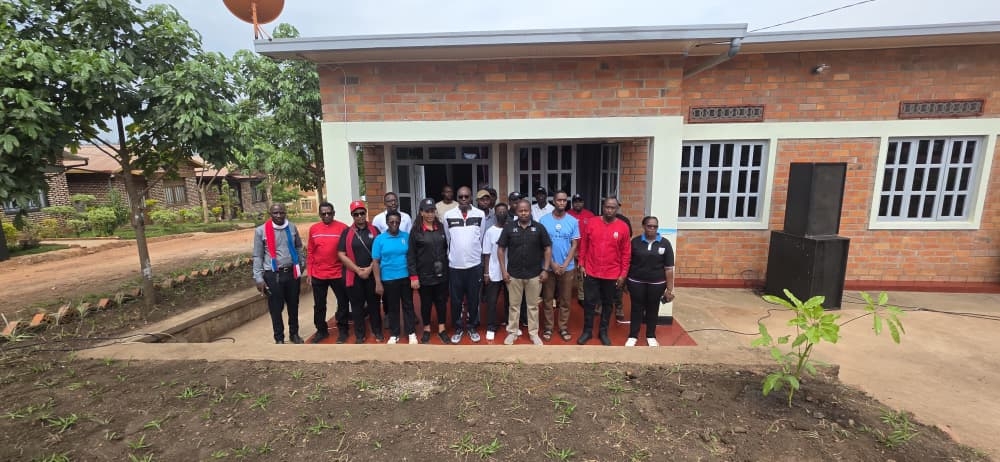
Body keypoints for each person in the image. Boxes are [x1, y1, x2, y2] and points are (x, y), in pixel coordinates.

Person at [577, 197, 631, 346]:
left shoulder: (623, 227)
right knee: (589, 303)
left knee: (608, 304)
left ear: (617, 209)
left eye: (613, 208)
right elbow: (584, 245)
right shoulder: (592, 222)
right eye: (607, 207)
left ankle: (603, 332)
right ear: (603, 207)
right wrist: (581, 263)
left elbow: (626, 253)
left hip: (612, 273)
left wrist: (623, 274)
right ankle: (587, 331)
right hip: (591, 271)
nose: (609, 210)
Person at [497, 199, 552, 345]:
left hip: (534, 275)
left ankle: (533, 334)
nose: (523, 213)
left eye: (526, 210)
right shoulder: (509, 228)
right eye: (520, 210)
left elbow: (547, 248)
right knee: (514, 306)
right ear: (516, 212)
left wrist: (545, 269)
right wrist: (503, 271)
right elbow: (501, 249)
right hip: (513, 275)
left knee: (532, 306)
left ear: (530, 211)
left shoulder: (539, 228)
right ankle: (512, 332)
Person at [252, 203, 304, 344]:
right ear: (271, 214)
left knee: (293, 305)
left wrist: (301, 263)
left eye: (282, 212)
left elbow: (299, 247)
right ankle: (279, 337)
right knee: (276, 308)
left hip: (291, 273)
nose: (279, 216)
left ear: (285, 213)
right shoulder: (260, 231)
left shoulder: (292, 227)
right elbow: (257, 255)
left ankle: (294, 334)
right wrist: (258, 277)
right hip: (273, 275)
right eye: (276, 213)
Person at [442, 186, 485, 343]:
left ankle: (473, 326)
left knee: (474, 299)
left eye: (467, 196)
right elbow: (448, 239)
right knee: (456, 301)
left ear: (471, 197)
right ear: (457, 198)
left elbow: (480, 237)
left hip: (474, 265)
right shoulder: (448, 215)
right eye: (461, 197)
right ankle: (459, 327)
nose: (464, 199)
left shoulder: (480, 215)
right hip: (455, 266)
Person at [625, 216, 675, 347]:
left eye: (655, 226)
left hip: (656, 284)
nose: (652, 229)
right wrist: (624, 281)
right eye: (649, 226)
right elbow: (628, 262)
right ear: (643, 226)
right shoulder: (635, 242)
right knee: (636, 308)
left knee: (653, 308)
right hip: (636, 282)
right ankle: (633, 335)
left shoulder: (665, 243)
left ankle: (651, 335)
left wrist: (669, 289)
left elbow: (669, 269)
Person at [306, 202, 351, 343]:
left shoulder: (343, 228)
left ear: (334, 213)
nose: (326, 215)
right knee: (319, 305)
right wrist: (309, 272)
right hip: (319, 274)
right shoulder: (314, 229)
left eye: (329, 213)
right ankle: (321, 331)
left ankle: (343, 330)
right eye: (323, 213)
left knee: (343, 302)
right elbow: (310, 252)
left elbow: (348, 250)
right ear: (320, 214)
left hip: (338, 273)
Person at [338, 200, 382, 343]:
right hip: (354, 275)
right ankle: (360, 335)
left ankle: (377, 331)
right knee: (357, 307)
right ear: (352, 215)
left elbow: (381, 251)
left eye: (362, 213)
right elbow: (341, 254)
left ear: (366, 213)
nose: (359, 216)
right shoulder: (347, 232)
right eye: (356, 214)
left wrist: (369, 269)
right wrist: (358, 270)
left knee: (374, 305)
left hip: (372, 274)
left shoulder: (374, 230)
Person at [408, 198, 451, 344]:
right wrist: (413, 276)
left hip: (441, 274)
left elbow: (447, 248)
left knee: (441, 302)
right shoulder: (416, 231)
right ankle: (426, 329)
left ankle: (441, 329)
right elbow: (411, 255)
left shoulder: (441, 227)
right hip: (424, 275)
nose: (430, 214)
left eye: (432, 211)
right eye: (427, 211)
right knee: (426, 303)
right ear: (421, 212)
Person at [539, 191, 579, 343]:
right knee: (548, 299)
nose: (562, 203)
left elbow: (574, 245)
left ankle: (563, 327)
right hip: (549, 267)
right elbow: (542, 245)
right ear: (554, 201)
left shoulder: (573, 221)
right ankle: (548, 327)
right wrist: (553, 264)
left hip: (567, 268)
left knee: (565, 300)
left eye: (564, 200)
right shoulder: (544, 220)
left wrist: (565, 264)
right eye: (559, 200)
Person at [372, 211, 417, 344]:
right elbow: (375, 261)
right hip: (388, 278)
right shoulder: (380, 239)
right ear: (387, 223)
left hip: (405, 277)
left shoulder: (406, 236)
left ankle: (411, 332)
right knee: (393, 307)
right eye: (391, 222)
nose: (394, 224)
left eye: (397, 222)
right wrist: (378, 282)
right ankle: (395, 333)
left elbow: (412, 257)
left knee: (408, 305)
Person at [481, 202, 509, 341]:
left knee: (510, 301)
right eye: (499, 211)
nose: (502, 214)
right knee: (492, 301)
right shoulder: (490, 231)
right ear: (495, 214)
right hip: (494, 271)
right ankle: (491, 327)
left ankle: (510, 324)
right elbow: (486, 253)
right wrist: (486, 273)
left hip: (510, 272)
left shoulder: (511, 229)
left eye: (504, 211)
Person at [567, 193, 596, 306]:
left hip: (585, 250)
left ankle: (582, 296)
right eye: (575, 201)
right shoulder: (567, 214)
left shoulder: (589, 215)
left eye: (580, 201)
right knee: (568, 275)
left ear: (583, 203)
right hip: (569, 250)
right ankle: (564, 296)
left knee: (582, 275)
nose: (577, 203)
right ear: (572, 203)